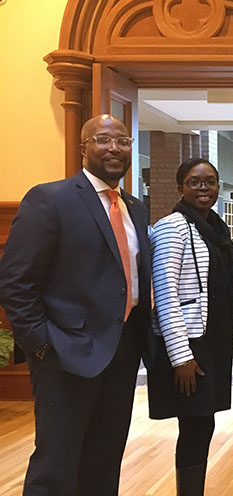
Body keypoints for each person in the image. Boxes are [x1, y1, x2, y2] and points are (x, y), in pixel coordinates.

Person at [0, 114, 151, 495]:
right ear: (83, 148)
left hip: (121, 352)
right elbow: (15, 281)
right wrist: (41, 344)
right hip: (64, 354)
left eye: (123, 141)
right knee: (57, 463)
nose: (114, 148)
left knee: (105, 457)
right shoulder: (51, 199)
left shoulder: (135, 207)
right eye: (103, 140)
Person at [148, 158, 233, 494]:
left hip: (215, 343)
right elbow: (165, 293)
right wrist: (181, 357)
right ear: (181, 187)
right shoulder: (171, 227)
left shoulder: (218, 230)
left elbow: (228, 296)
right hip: (190, 346)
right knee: (194, 427)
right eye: (195, 182)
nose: (204, 189)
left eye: (210, 182)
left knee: (203, 424)